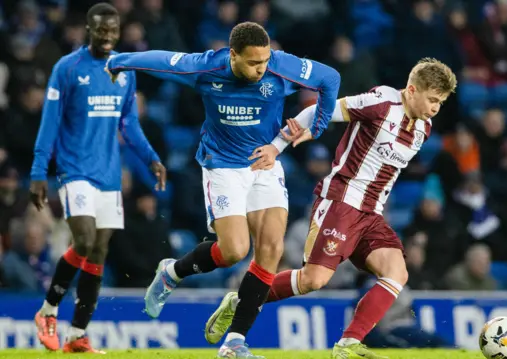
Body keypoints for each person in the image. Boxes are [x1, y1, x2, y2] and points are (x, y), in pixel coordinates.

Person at [105, 22, 340, 358]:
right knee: (233, 251)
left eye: (264, 62)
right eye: (252, 63)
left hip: (264, 163)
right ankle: (173, 272)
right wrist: (118, 61)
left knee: (271, 249)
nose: (261, 70)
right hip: (223, 165)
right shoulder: (206, 66)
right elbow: (160, 60)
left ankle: (234, 343)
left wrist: (316, 128)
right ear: (232, 55)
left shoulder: (281, 65)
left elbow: (330, 79)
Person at [208, 58, 457, 359]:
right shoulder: (381, 102)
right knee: (314, 280)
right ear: (412, 89)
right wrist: (277, 147)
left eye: (440, 102)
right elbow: (318, 109)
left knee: (397, 272)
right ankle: (242, 300)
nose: (435, 108)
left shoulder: (423, 129)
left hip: (371, 213)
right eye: (432, 100)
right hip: (342, 202)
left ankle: (348, 344)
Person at [30, 3, 166, 354]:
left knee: (98, 253)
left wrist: (151, 158)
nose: (107, 36)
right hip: (74, 170)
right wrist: (37, 171)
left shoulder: (123, 69)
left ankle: (77, 334)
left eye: (113, 30)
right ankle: (47, 311)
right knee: (85, 239)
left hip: (108, 174)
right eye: (100, 29)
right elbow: (49, 123)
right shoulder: (68, 68)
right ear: (88, 29)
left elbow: (129, 123)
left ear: (119, 31)